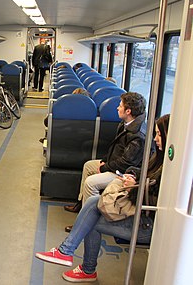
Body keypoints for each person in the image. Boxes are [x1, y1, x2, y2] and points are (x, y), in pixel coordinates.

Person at [35, 114, 170, 283]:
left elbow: (156, 199)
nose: (156, 138)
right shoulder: (158, 158)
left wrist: (133, 188)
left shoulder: (169, 168)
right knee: (93, 202)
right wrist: (134, 176)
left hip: (147, 224)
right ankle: (67, 252)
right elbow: (143, 171)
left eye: (159, 134)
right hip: (138, 213)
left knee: (91, 223)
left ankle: (83, 265)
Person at [64, 92, 147, 218]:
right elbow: (115, 148)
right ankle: (81, 204)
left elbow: (126, 163)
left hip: (124, 173)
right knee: (88, 166)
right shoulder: (126, 124)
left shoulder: (138, 135)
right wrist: (105, 160)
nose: (117, 108)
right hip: (115, 164)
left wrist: (105, 167)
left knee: (91, 183)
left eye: (120, 106)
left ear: (128, 111)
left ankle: (87, 219)